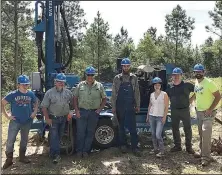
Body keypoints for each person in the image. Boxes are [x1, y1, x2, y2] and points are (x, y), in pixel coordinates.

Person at [1, 75, 38, 169]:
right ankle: (9, 160)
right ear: (18, 85)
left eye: (27, 84)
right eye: (23, 84)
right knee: (10, 140)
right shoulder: (13, 94)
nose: (26, 86)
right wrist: (7, 115)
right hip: (15, 121)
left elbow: (36, 102)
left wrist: (34, 112)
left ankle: (22, 157)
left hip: (27, 121)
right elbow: (2, 103)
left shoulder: (30, 94)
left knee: (24, 140)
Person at [190, 64, 220, 166]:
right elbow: (196, 92)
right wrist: (191, 99)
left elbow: (218, 96)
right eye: (196, 72)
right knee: (201, 133)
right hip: (199, 111)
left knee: (206, 133)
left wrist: (210, 109)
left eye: (200, 72)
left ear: (203, 72)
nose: (198, 73)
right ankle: (203, 152)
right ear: (194, 73)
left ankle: (206, 158)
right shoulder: (196, 82)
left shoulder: (209, 83)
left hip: (209, 112)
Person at [73, 66, 107, 158]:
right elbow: (75, 98)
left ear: (94, 75)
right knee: (80, 132)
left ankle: (86, 151)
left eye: (92, 75)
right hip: (82, 112)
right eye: (88, 75)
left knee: (90, 133)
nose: (90, 77)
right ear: (86, 75)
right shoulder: (80, 85)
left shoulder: (99, 86)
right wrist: (76, 110)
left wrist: (99, 110)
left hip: (93, 113)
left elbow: (104, 99)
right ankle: (79, 151)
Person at [111, 58, 141, 156]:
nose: (126, 67)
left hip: (130, 106)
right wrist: (113, 107)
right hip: (120, 106)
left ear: (130, 66)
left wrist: (137, 105)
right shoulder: (117, 78)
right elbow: (114, 94)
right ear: (122, 67)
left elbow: (137, 92)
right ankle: (123, 145)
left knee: (133, 127)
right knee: (121, 127)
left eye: (128, 66)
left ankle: (135, 147)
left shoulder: (134, 78)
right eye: (124, 66)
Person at [41, 73, 73, 164]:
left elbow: (73, 103)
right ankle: (56, 155)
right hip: (53, 119)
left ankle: (53, 153)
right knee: (54, 137)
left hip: (64, 118)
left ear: (65, 83)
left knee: (59, 136)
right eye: (59, 82)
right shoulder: (49, 93)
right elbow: (44, 107)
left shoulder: (68, 92)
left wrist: (71, 112)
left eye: (62, 82)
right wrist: (47, 118)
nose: (61, 83)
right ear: (55, 82)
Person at [166, 67, 195, 154]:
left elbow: (198, 91)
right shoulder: (169, 87)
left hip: (185, 110)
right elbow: (165, 97)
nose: (176, 77)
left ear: (181, 75)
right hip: (174, 110)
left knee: (187, 129)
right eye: (175, 75)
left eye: (178, 75)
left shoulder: (187, 85)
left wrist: (191, 99)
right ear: (172, 76)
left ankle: (189, 147)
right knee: (175, 129)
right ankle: (177, 146)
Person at [146, 77, 169, 158]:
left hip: (160, 117)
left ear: (160, 85)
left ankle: (162, 151)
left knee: (158, 134)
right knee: (153, 134)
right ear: (153, 86)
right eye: (155, 85)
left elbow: (166, 107)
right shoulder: (152, 94)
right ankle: (155, 149)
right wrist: (148, 116)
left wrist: (164, 117)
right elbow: (150, 105)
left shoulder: (164, 94)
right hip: (152, 116)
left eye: (158, 85)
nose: (157, 86)